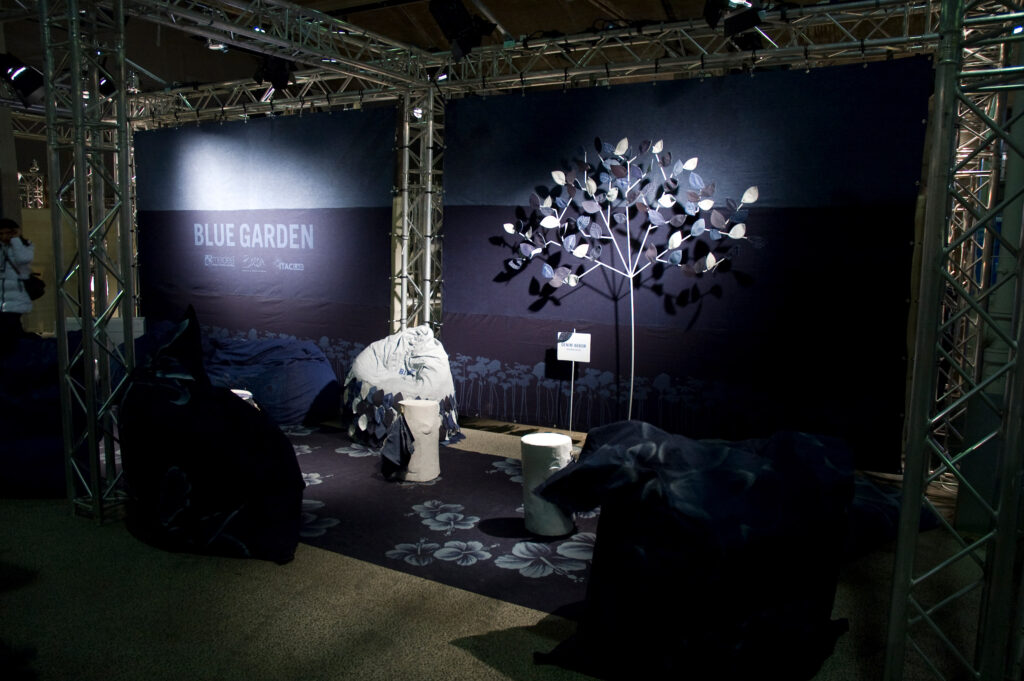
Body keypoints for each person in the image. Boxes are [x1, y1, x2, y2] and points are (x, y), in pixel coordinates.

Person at [0, 217, 34, 354]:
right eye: (1, 234)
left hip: (17, 294)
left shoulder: (25, 245)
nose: (4, 237)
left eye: (8, 233)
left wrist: (15, 241)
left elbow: (23, 259)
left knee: (11, 327)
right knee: (11, 330)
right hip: (3, 296)